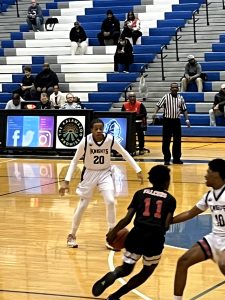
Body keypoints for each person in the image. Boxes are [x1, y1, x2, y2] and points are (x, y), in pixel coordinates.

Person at [92, 165, 176, 300]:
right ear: (166, 181)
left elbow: (127, 219)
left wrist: (113, 232)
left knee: (126, 269)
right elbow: (166, 226)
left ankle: (114, 274)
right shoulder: (170, 199)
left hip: (136, 235)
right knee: (146, 272)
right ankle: (115, 296)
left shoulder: (140, 193)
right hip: (154, 239)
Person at [59, 118, 143, 249]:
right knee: (82, 206)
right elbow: (74, 161)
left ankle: (112, 234)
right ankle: (72, 234)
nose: (99, 131)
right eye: (96, 129)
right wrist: (66, 181)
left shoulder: (110, 139)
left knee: (110, 201)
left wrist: (137, 169)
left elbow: (124, 153)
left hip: (105, 173)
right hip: (89, 174)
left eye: (100, 128)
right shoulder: (86, 141)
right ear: (91, 130)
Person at [173, 158, 225, 300]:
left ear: (217, 174)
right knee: (183, 261)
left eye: (208, 172)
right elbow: (190, 213)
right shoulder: (209, 196)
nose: (205, 175)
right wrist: (167, 222)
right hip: (214, 239)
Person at [152, 83, 190, 165]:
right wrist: (154, 113)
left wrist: (187, 120)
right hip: (167, 121)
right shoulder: (166, 97)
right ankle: (167, 159)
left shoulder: (181, 98)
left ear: (178, 89)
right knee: (166, 140)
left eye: (176, 87)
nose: (174, 89)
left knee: (177, 141)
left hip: (176, 121)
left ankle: (176, 159)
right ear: (170, 89)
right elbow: (158, 105)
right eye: (173, 87)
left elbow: (184, 109)